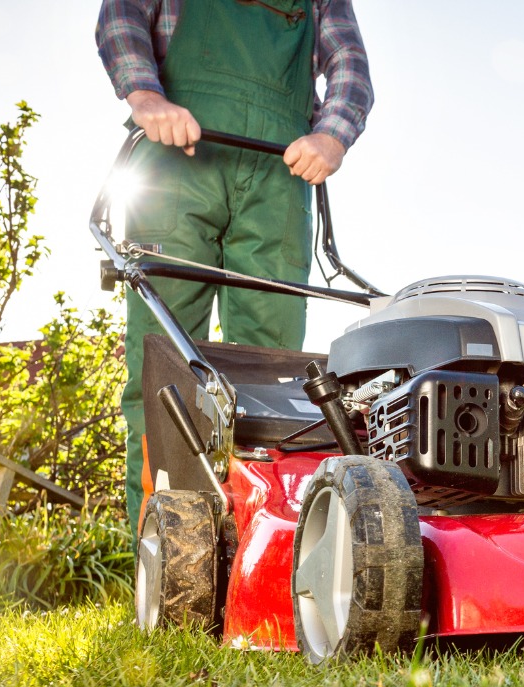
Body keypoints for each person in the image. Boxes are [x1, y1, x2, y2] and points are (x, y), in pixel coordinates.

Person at [96, 0, 374, 544]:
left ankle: (257, 554)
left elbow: (350, 64)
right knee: (164, 369)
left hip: (278, 175)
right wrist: (147, 97)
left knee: (274, 375)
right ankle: (164, 559)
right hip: (173, 165)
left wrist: (332, 135)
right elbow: (121, 15)